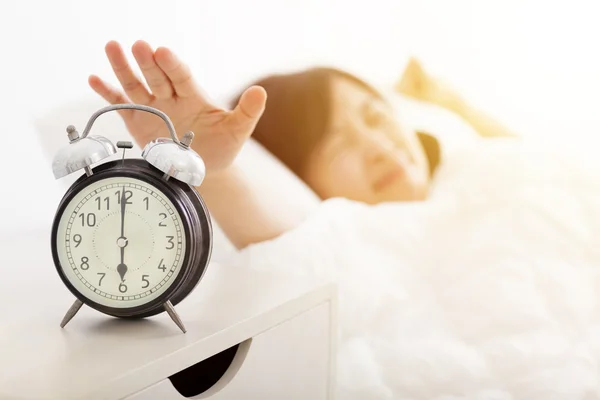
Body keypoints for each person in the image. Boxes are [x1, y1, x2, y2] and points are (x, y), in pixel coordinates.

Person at [88, 40, 518, 249]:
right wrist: (205, 166)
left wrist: (455, 103)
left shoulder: (482, 169)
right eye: (336, 147)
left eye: (375, 118)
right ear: (297, 176)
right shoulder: (344, 240)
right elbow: (279, 245)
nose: (379, 148)